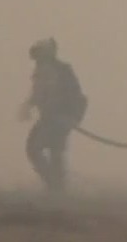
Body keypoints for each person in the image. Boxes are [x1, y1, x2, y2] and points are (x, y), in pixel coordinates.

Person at [18, 38, 88, 194]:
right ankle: (55, 185)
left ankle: (57, 188)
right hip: (47, 118)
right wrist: (28, 106)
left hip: (60, 119)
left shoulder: (63, 71)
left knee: (52, 151)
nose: (36, 58)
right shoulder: (40, 71)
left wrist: (73, 118)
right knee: (35, 149)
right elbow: (38, 93)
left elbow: (77, 97)